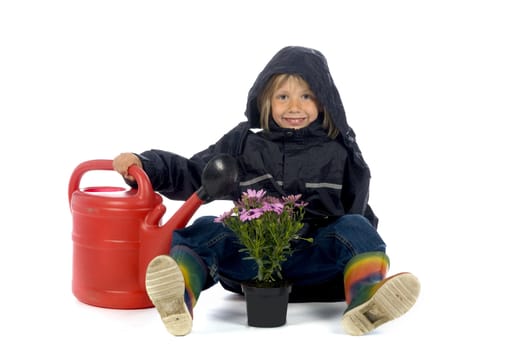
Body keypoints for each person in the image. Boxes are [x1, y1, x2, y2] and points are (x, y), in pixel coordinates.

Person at [113, 46, 420, 336]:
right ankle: (179, 294)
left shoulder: (338, 148)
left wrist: (356, 244)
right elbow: (195, 174)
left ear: (324, 101)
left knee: (356, 226)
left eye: (307, 96)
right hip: (252, 257)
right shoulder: (243, 143)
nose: (295, 107)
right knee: (206, 229)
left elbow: (357, 207)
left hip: (314, 260)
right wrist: (146, 165)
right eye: (283, 97)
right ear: (265, 101)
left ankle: (365, 296)